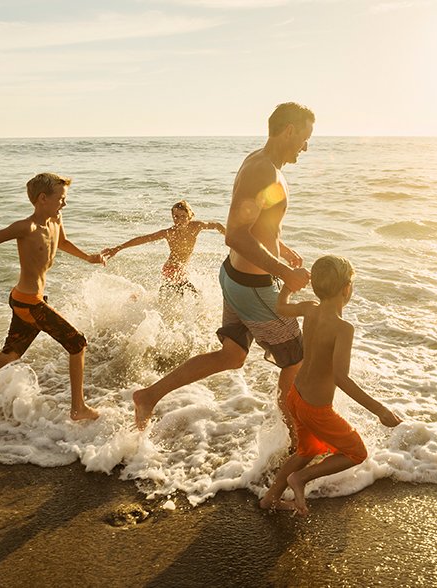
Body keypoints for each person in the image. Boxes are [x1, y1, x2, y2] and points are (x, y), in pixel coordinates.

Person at [133, 102, 315, 431]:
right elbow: (235, 234)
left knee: (231, 356)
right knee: (296, 359)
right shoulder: (263, 169)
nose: (306, 146)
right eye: (304, 137)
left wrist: (281, 247)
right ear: (289, 130)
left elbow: (258, 223)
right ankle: (294, 439)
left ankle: (148, 396)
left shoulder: (262, 164)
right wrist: (285, 272)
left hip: (235, 278)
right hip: (252, 286)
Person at [0, 173, 104, 421]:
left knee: (11, 354)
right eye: (61, 199)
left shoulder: (56, 219)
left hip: (27, 299)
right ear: (43, 199)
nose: (65, 203)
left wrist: (88, 257)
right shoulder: (26, 227)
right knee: (77, 343)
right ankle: (78, 408)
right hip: (29, 303)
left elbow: (62, 242)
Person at [259, 255, 402, 516]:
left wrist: (290, 285)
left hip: (296, 396)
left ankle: (270, 498)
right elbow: (341, 378)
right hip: (316, 409)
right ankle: (300, 479)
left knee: (308, 449)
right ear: (347, 289)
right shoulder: (343, 328)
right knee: (356, 451)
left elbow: (281, 306)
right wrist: (379, 410)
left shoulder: (310, 308)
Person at [101, 200, 225, 295]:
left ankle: (152, 302)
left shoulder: (196, 226)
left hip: (181, 270)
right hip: (171, 269)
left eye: (182, 216)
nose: (179, 220)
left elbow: (217, 225)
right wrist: (118, 248)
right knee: (193, 295)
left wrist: (230, 238)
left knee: (175, 295)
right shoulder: (169, 233)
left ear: (190, 216)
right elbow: (143, 239)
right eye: (175, 217)